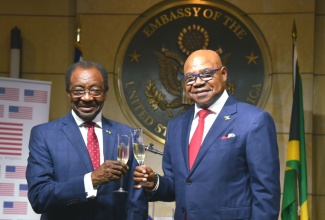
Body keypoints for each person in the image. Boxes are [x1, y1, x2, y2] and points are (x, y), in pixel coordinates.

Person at [134, 49, 280, 219]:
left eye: (206, 74)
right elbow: (179, 185)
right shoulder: (176, 126)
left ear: (224, 73)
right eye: (189, 78)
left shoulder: (254, 120)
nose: (197, 83)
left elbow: (266, 193)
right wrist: (155, 183)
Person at [26, 60, 148, 220]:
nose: (87, 97)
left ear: (106, 92)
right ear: (68, 93)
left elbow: (136, 201)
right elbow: (39, 197)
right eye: (78, 90)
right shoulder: (44, 135)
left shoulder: (129, 135)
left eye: (95, 90)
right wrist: (90, 180)